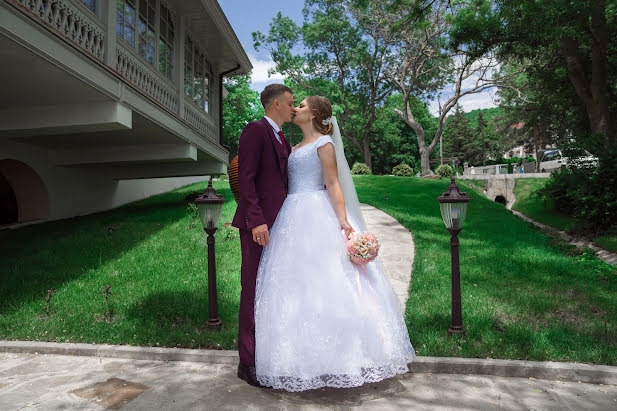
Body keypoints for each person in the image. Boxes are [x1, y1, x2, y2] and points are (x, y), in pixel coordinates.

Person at [254, 96, 415, 392]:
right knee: (296, 285)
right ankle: (299, 359)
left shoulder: (323, 144)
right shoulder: (295, 148)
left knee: (329, 278)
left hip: (317, 211)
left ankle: (346, 355)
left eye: (300, 106)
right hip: (292, 215)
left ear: (314, 114)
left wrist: (343, 220)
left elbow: (332, 183)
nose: (295, 109)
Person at [231, 84, 295, 387]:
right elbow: (246, 177)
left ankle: (271, 353)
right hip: (259, 227)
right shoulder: (255, 130)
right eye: (291, 103)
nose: (294, 108)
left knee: (272, 289)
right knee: (252, 288)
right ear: (277, 104)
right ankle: (248, 362)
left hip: (282, 225)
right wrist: (255, 220)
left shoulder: (283, 137)